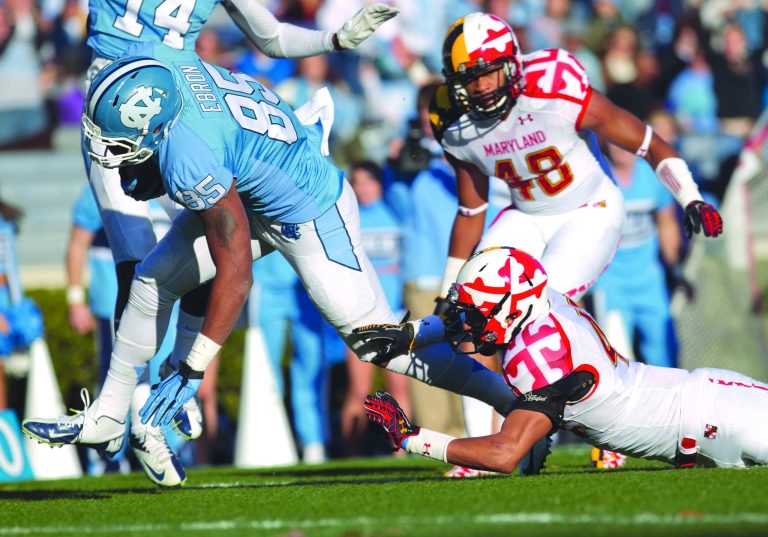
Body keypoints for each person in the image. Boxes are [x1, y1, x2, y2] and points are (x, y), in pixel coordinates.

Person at [21, 47, 523, 479]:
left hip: (308, 212)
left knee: (377, 343)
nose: (118, 161)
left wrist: (191, 369)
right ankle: (109, 414)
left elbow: (236, 271)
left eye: (124, 149)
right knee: (152, 280)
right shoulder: (172, 79)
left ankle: (511, 402)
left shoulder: (186, 155)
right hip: (257, 187)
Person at [78, 0, 399, 486]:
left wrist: (335, 41)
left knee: (180, 257)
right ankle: (128, 408)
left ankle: (158, 400)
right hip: (122, 104)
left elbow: (269, 38)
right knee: (141, 267)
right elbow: (273, 39)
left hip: (170, 103)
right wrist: (333, 40)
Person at [364, 246, 768, 472]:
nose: (468, 323)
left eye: (475, 313)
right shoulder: (544, 303)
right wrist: (416, 333)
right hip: (706, 403)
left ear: (510, 305)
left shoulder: (538, 353)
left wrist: (412, 437)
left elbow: (505, 454)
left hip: (717, 419)